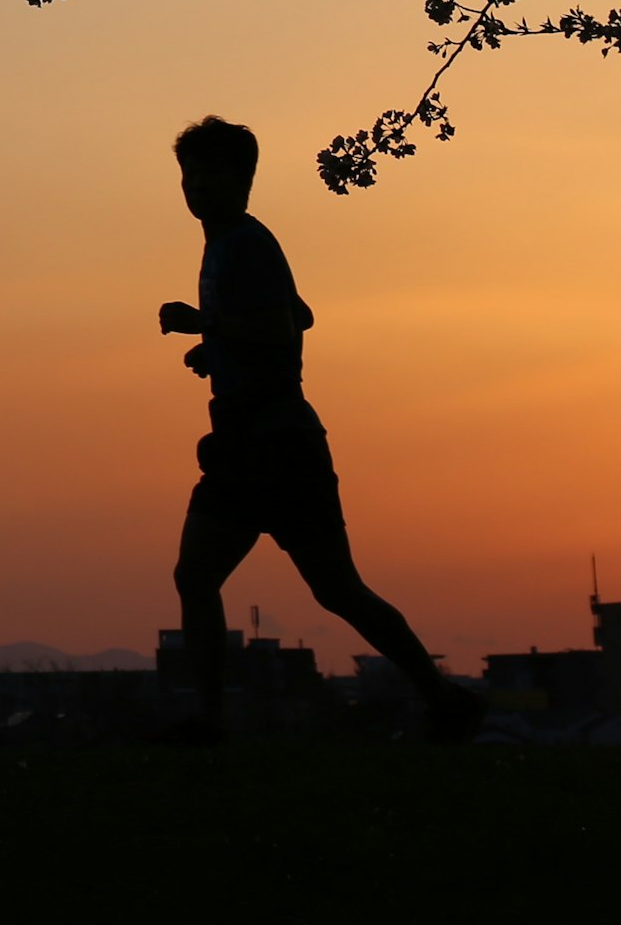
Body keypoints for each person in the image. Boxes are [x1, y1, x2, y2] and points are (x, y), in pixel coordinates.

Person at [157, 115, 477, 743]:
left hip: (278, 442)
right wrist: (217, 351)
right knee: (202, 577)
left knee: (335, 589)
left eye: (211, 174)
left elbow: (284, 325)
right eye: (189, 175)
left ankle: (444, 698)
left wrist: (208, 328)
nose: (197, 187)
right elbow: (297, 312)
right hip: (242, 441)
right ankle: (212, 722)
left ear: (242, 181)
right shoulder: (227, 243)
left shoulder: (246, 241)